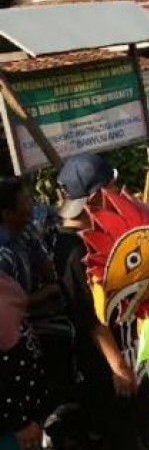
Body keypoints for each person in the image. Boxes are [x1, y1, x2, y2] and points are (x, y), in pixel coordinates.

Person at [54, 154, 149, 449]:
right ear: (97, 196)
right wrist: (117, 366)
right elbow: (90, 318)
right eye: (112, 188)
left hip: (126, 352)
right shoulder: (73, 250)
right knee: (128, 433)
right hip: (108, 365)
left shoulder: (89, 234)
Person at [0, 179, 47, 450]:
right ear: (6, 213)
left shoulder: (25, 233)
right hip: (12, 419)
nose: (32, 205)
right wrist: (18, 420)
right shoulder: (3, 253)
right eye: (25, 201)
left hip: (23, 406)